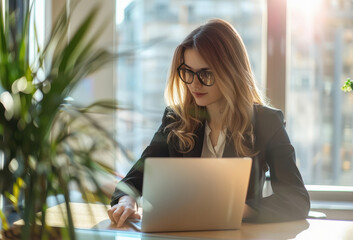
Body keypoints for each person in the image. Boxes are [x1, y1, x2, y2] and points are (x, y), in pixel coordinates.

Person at [108, 19, 310, 228]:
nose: (194, 83)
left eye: (206, 74)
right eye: (188, 72)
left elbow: (296, 199)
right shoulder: (176, 119)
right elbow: (134, 179)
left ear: (231, 72)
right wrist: (127, 201)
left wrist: (237, 209)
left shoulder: (266, 122)